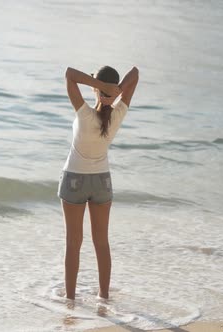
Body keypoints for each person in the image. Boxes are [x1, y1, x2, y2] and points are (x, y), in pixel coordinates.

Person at [58, 65, 139, 300]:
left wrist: (100, 87)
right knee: (101, 243)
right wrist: (116, 91)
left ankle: (70, 300)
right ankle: (104, 297)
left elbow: (69, 75)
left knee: (73, 244)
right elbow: (134, 73)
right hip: (101, 181)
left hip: (74, 178)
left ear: (98, 88)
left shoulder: (84, 114)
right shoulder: (117, 114)